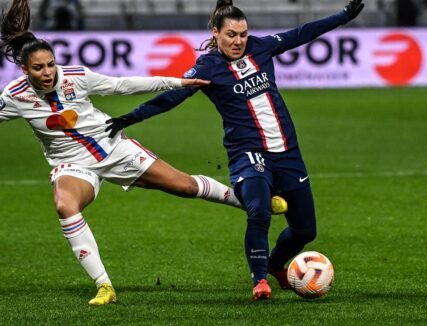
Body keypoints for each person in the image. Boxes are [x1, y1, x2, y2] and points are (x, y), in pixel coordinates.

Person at [0, 0, 280, 306]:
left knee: (182, 186)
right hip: (73, 165)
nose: (48, 73)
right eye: (39, 68)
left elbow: (122, 85)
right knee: (65, 204)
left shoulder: (75, 76)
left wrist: (177, 80)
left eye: (50, 64)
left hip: (113, 147)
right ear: (24, 69)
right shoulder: (14, 97)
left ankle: (251, 204)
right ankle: (104, 286)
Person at [105, 0, 365, 300]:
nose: (238, 41)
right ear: (216, 34)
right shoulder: (208, 67)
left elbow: (301, 33)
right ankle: (259, 281)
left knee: (306, 231)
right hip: (248, 154)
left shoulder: (261, 47)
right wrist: (132, 117)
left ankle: (275, 264)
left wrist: (343, 16)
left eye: (242, 34)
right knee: (259, 208)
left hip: (287, 153)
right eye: (231, 35)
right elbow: (172, 97)